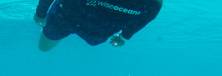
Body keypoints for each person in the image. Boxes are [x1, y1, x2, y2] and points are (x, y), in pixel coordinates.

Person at [34, 0, 162, 51]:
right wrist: (41, 11)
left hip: (99, 32)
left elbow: (149, 13)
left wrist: (125, 35)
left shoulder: (153, 2)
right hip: (65, 17)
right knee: (44, 47)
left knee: (94, 42)